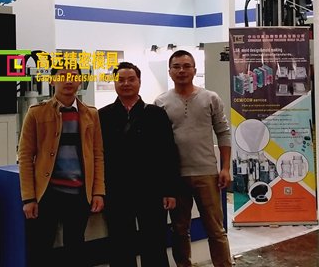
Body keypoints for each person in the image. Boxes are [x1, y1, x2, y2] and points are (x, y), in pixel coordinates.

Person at [18, 67, 105, 267]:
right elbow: (25, 157)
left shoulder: (90, 114)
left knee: (75, 248)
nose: (68, 81)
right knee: (41, 248)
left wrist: (98, 192)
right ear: (52, 81)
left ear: (80, 81)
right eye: (63, 76)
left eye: (74, 77)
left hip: (79, 193)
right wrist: (29, 198)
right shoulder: (36, 113)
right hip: (48, 193)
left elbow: (98, 155)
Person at [154, 50, 233, 267]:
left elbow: (223, 132)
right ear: (170, 71)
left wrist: (225, 167)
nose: (182, 70)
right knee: (180, 229)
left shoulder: (210, 98)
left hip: (207, 173)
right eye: (177, 66)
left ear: (195, 70)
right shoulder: (161, 102)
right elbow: (158, 142)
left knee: (215, 229)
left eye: (186, 66)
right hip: (176, 176)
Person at [98, 61, 180, 267]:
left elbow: (168, 153)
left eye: (131, 79)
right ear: (114, 83)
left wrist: (170, 190)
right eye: (121, 80)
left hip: (151, 190)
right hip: (116, 191)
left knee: (154, 243)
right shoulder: (103, 116)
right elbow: (97, 156)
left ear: (139, 82)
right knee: (120, 244)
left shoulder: (156, 114)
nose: (126, 83)